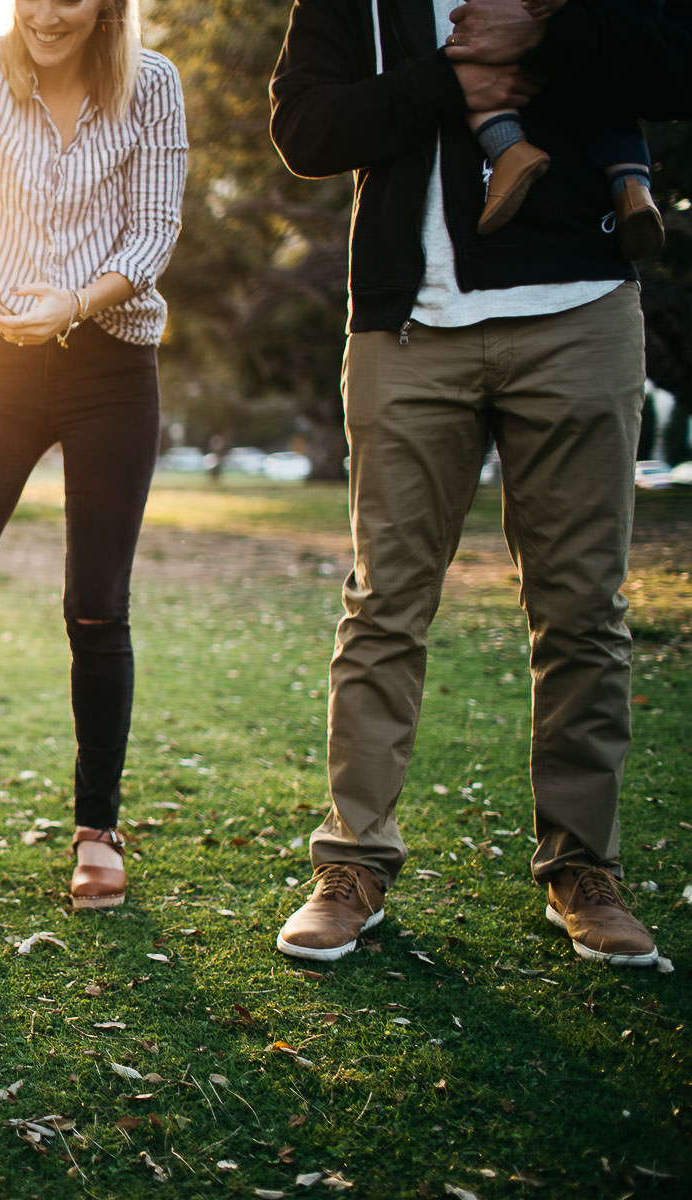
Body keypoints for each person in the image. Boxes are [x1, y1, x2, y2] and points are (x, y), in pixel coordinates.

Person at [268, 0, 690, 967]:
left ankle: (585, 867)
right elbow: (305, 128)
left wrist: (540, 36)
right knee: (384, 607)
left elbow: (674, 62)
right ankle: (354, 863)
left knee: (583, 610)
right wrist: (445, 83)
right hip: (407, 326)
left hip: (579, 309)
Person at [0, 0, 186, 910]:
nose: (50, 12)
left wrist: (78, 303)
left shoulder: (155, 83)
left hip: (110, 363)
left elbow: (155, 229)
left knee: (96, 608)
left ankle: (98, 827)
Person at [462, 0, 664, 258]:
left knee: (464, 47)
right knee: (604, 92)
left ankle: (508, 147)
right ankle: (632, 188)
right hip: (584, 40)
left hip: (520, 35)